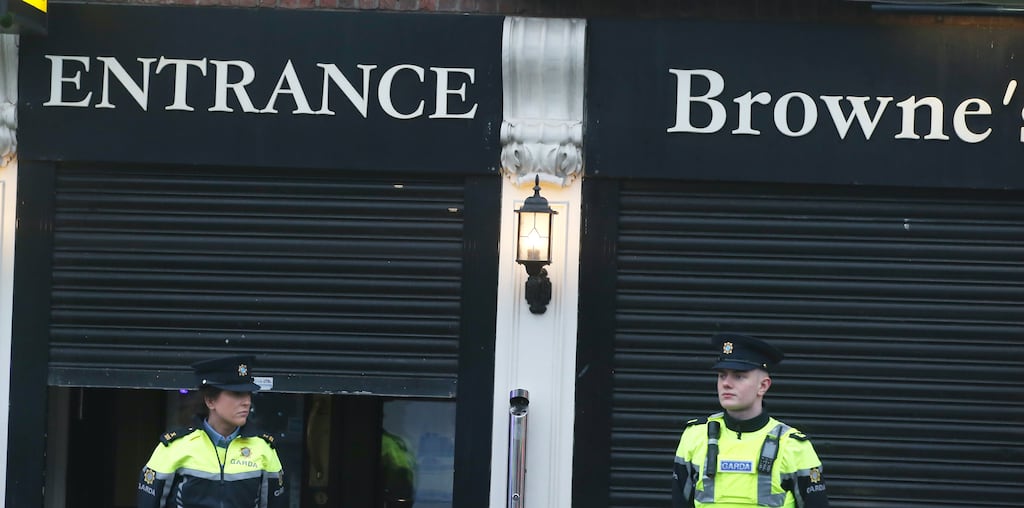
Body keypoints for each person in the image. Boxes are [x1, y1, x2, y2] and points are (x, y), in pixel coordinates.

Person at [672, 333, 829, 508]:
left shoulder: (794, 447)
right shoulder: (694, 437)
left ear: (763, 386)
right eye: (722, 375)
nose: (726, 383)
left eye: (738, 376)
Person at [137, 355, 287, 508]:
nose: (247, 402)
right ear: (210, 401)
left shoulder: (264, 449)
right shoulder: (174, 447)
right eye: (237, 394)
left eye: (248, 393)